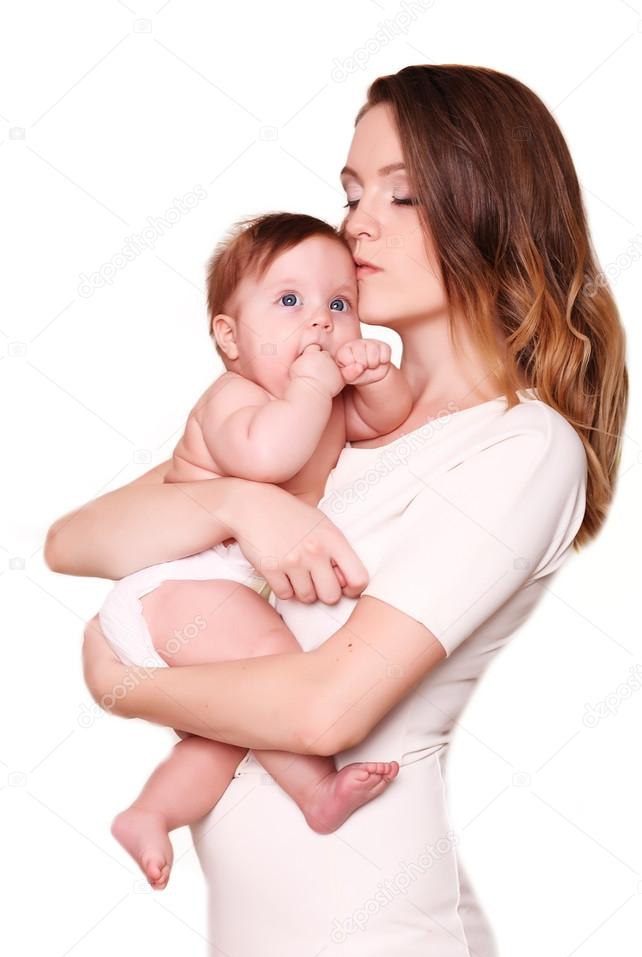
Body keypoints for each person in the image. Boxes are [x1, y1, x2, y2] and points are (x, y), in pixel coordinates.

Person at [45, 64, 628, 957]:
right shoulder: (314, 416)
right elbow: (75, 541)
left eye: (401, 193)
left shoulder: (520, 447)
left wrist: (124, 686)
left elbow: (326, 714)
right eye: (353, 192)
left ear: (489, 204)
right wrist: (243, 506)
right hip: (264, 956)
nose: (357, 223)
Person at [98, 211, 414, 891]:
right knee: (271, 665)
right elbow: (269, 455)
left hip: (213, 600)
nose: (322, 323)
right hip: (175, 585)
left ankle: (150, 812)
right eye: (291, 301)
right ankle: (315, 793)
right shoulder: (232, 398)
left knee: (226, 732)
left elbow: (384, 418)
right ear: (230, 336)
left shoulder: (325, 401)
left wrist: (377, 374)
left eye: (340, 304)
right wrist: (315, 386)